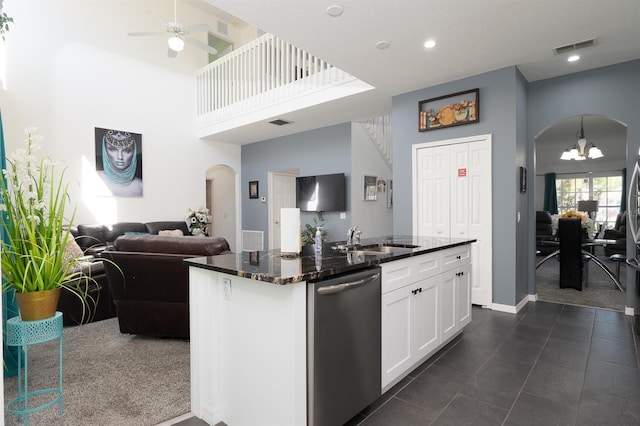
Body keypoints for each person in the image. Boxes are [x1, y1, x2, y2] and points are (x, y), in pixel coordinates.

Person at [96, 129, 143, 196]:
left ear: (134, 152)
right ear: (105, 151)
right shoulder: (95, 178)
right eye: (112, 149)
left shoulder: (140, 186)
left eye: (127, 151)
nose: (120, 157)